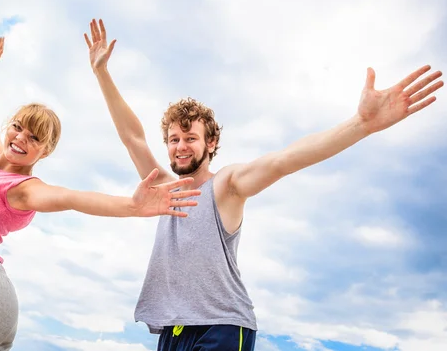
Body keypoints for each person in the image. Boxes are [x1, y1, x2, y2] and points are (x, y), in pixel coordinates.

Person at [84, 18, 444, 351]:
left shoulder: (226, 185)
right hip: (174, 328)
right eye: (174, 139)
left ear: (210, 143)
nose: (180, 146)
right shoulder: (161, 188)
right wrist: (101, 73)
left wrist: (360, 125)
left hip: (222, 326)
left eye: (190, 138)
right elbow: (133, 138)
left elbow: (282, 161)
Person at [0, 37, 201, 351]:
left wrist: (131, 205)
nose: (20, 138)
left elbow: (72, 197)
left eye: (33, 138)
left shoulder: (24, 189)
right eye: (17, 127)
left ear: (44, 152)